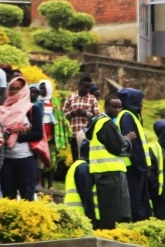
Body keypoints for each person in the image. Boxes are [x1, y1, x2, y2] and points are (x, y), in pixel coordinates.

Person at [88, 100, 133, 228]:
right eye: (114, 107)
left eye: (119, 107)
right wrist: (128, 140)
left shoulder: (98, 122)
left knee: (107, 209)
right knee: (116, 211)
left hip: (102, 172)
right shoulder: (106, 123)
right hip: (111, 173)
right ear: (106, 107)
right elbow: (119, 147)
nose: (118, 110)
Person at [0, 76, 44, 200]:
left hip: (25, 160)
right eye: (11, 89)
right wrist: (9, 132)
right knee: (8, 199)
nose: (14, 92)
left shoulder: (31, 109)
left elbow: (38, 133)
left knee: (27, 199)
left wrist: (18, 135)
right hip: (6, 161)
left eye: (17, 89)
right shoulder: (2, 110)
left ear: (23, 90)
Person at [115, 89, 151, 221]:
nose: (141, 104)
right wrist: (143, 168)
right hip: (132, 168)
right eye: (139, 101)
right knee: (135, 204)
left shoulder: (128, 116)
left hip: (133, 167)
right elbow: (134, 146)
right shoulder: (127, 117)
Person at [63, 77, 100, 160]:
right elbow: (63, 116)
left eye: (89, 88)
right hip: (73, 135)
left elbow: (97, 118)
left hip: (87, 136)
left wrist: (86, 113)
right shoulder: (70, 97)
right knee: (76, 160)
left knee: (86, 159)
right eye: (85, 87)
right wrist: (71, 114)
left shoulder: (92, 99)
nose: (87, 90)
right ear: (79, 85)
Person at [64, 139, 98, 223]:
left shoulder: (76, 166)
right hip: (82, 217)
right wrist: (92, 219)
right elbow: (86, 195)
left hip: (73, 216)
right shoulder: (84, 168)